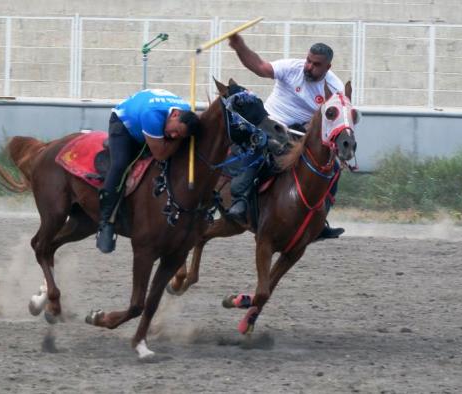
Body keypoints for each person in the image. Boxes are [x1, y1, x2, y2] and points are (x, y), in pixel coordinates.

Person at [227, 34, 345, 239]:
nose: (308, 66)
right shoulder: (292, 67)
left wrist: (309, 129)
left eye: (316, 64)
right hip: (269, 123)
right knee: (261, 147)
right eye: (308, 60)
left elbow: (331, 119)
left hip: (300, 135)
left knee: (332, 168)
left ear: (328, 67)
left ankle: (320, 219)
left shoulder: (335, 88)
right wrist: (240, 47)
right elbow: (260, 67)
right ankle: (240, 201)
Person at [96, 89, 202, 253]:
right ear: (175, 115)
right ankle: (105, 222)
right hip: (123, 124)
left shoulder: (184, 111)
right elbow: (161, 154)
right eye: (176, 132)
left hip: (150, 122)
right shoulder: (152, 116)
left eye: (178, 135)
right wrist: (180, 140)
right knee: (120, 164)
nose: (174, 135)